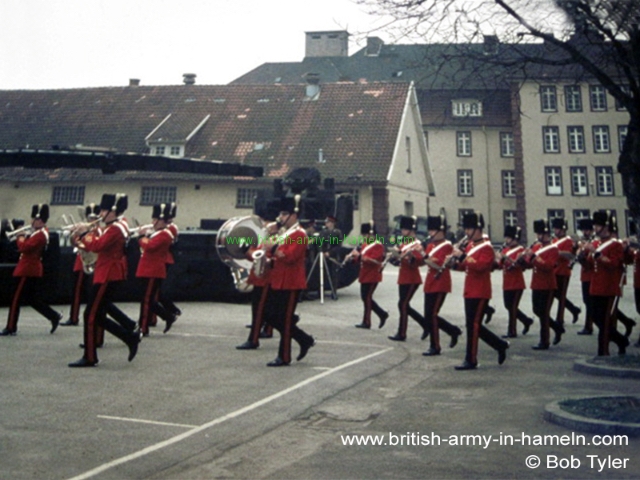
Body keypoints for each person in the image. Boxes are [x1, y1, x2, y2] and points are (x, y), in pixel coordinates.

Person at [68, 193, 141, 367]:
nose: (100, 213)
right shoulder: (115, 225)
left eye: (103, 210)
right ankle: (128, 336)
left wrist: (84, 232)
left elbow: (99, 245)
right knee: (98, 313)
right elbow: (96, 245)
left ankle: (90, 356)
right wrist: (78, 241)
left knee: (90, 314)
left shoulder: (115, 228)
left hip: (108, 273)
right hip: (108, 271)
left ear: (112, 210)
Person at [446, 212, 508, 370]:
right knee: (473, 326)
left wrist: (462, 257)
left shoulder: (486, 247)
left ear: (477, 228)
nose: (466, 232)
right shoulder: (470, 246)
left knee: (473, 326)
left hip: (481, 291)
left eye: (469, 229)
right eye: (466, 229)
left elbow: (481, 266)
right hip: (470, 289)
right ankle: (499, 345)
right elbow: (466, 266)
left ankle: (471, 359)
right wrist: (452, 264)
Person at [263, 195, 315, 366]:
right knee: (270, 316)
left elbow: (291, 257)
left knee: (284, 320)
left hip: (291, 281)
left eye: (285, 214)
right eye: (281, 214)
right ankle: (304, 339)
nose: (281, 218)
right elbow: (276, 255)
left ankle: (284, 356)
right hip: (279, 279)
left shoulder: (300, 234)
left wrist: (274, 248)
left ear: (294, 215)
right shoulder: (284, 234)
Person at [1, 204, 62, 336]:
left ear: (39, 220)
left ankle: (11, 327)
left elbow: (24, 247)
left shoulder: (41, 234)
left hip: (28, 268)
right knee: (31, 299)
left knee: (16, 298)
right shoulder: (38, 232)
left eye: (33, 219)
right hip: (29, 267)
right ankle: (53, 316)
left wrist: (20, 236)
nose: (31, 222)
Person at [585, 210, 628, 356]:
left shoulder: (615, 244)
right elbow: (590, 265)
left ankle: (603, 353)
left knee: (604, 322)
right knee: (596, 318)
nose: (596, 228)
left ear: (606, 226)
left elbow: (613, 264)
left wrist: (596, 253)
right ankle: (621, 340)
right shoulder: (597, 243)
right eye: (596, 225)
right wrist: (582, 256)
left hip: (608, 287)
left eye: (599, 225)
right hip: (596, 286)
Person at [522, 219, 565, 350]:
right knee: (537, 310)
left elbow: (549, 266)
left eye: (539, 234)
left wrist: (534, 257)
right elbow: (530, 265)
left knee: (544, 313)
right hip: (536, 283)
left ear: (545, 234)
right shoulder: (536, 247)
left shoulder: (553, 249)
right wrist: (523, 259)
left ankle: (544, 340)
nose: (537, 236)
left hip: (547, 284)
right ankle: (557, 328)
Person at [421, 214, 461, 356]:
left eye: (433, 231)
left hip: (440, 282)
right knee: (428, 315)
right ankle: (452, 330)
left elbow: (439, 264)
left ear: (441, 231)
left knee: (432, 314)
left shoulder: (447, 245)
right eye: (430, 230)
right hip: (430, 282)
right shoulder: (431, 245)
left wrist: (426, 257)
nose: (430, 233)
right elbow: (425, 261)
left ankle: (435, 346)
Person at [236, 216, 279, 350]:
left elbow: (264, 257)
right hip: (259, 277)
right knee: (262, 310)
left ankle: (253, 339)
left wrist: (249, 250)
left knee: (259, 310)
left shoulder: (275, 240)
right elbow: (257, 255)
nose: (265, 225)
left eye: (266, 222)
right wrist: (247, 250)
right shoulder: (266, 238)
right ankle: (268, 329)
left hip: (265, 279)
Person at [136, 203, 178, 336]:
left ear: (162, 221)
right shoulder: (157, 232)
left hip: (153, 270)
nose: (152, 222)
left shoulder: (165, 234)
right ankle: (167, 316)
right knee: (146, 299)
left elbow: (150, 246)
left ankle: (143, 328)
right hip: (147, 268)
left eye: (155, 220)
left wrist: (141, 236)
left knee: (147, 300)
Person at [388, 215, 428, 341]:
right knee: (404, 305)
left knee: (403, 305)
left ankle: (402, 333)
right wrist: (393, 257)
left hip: (412, 278)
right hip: (403, 277)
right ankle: (425, 324)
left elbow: (417, 262)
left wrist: (404, 257)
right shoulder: (403, 243)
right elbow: (398, 262)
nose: (403, 232)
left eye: (405, 230)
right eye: (402, 230)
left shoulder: (416, 244)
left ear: (412, 230)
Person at [61, 203, 101, 327]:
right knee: (76, 291)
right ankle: (74, 317)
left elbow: (93, 247)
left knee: (91, 292)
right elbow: (75, 243)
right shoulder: (85, 229)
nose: (91, 221)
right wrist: (74, 235)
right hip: (82, 261)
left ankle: (92, 317)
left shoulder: (99, 231)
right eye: (90, 218)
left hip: (94, 261)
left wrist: (81, 240)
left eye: (94, 218)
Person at [496, 225, 534, 338]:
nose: (506, 240)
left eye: (508, 238)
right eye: (506, 238)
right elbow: (500, 266)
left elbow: (521, 265)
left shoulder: (521, 250)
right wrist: (498, 259)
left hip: (517, 283)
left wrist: (505, 258)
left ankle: (512, 331)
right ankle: (526, 320)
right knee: (508, 306)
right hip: (507, 282)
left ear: (515, 238)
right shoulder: (505, 250)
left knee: (512, 307)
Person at [351, 221, 389, 330]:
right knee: (365, 297)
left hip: (373, 275)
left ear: (371, 234)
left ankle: (367, 321)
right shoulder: (364, 244)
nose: (363, 237)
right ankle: (382, 314)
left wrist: (359, 256)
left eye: (365, 234)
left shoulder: (378, 245)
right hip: (364, 274)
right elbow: (361, 259)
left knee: (367, 298)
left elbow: (375, 261)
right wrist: (352, 258)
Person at [551, 218, 581, 325]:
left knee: (561, 296)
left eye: (557, 229)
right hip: (555, 271)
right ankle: (574, 309)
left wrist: (557, 252)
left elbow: (570, 255)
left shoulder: (568, 240)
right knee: (556, 295)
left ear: (562, 229)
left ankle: (560, 319)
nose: (555, 230)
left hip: (563, 271)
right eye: (554, 228)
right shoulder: (554, 240)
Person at [575, 218, 597, 335]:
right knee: (587, 301)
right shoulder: (584, 242)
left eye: (587, 230)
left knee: (591, 302)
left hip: (593, 275)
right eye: (584, 230)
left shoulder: (594, 242)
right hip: (585, 275)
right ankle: (588, 325)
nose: (585, 232)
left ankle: (589, 326)